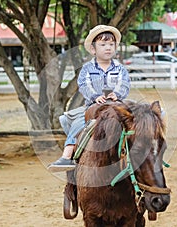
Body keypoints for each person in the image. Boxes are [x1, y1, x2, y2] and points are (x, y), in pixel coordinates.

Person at [48, 25, 130, 171]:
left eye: (111, 44)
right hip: (94, 106)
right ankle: (67, 156)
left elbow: (124, 84)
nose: (108, 48)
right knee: (79, 123)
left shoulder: (120, 69)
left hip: (116, 106)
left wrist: (117, 94)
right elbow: (84, 85)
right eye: (103, 44)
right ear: (93, 49)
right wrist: (95, 96)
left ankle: (143, 153)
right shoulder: (87, 69)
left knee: (138, 120)